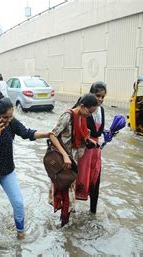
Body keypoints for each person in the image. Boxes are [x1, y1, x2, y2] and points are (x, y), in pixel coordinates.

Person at [0, 98, 52, 239]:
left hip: (7, 171)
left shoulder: (11, 123)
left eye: (11, 116)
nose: (8, 120)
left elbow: (27, 133)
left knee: (18, 202)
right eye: (5, 117)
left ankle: (20, 235)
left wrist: (46, 134)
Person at [48, 93, 99, 226]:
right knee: (67, 196)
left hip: (73, 163)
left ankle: (64, 224)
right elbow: (52, 135)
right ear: (82, 106)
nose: (90, 115)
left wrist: (89, 141)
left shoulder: (81, 117)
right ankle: (63, 227)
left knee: (69, 195)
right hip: (63, 163)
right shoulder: (67, 116)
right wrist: (65, 155)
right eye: (89, 111)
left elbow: (81, 135)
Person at [76, 82, 107, 214]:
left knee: (95, 181)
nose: (100, 99)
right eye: (97, 95)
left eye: (102, 97)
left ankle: (92, 213)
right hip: (83, 150)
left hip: (95, 150)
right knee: (77, 179)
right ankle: (70, 211)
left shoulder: (101, 110)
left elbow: (98, 132)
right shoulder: (81, 108)